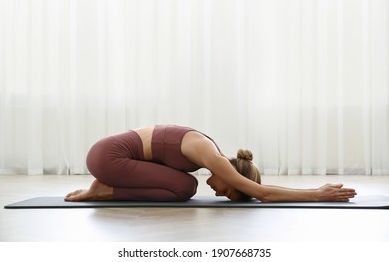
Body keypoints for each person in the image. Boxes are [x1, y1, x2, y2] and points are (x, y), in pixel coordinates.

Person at [65, 125, 357, 202]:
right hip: (108, 158)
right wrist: (316, 194)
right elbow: (263, 193)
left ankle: (107, 186)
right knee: (184, 188)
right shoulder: (211, 155)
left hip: (110, 157)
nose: (219, 194)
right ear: (233, 177)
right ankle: (104, 190)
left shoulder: (207, 153)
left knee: (185, 185)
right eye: (228, 192)